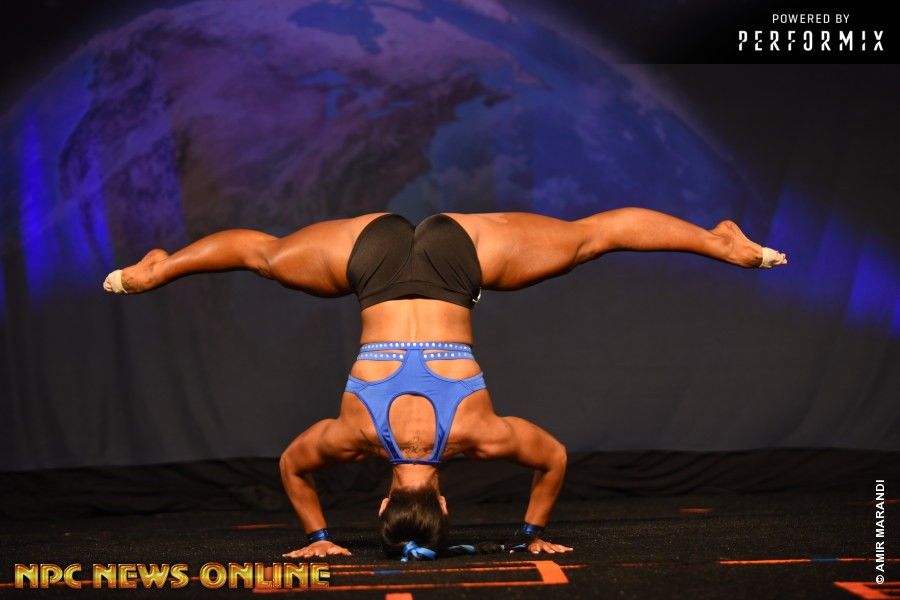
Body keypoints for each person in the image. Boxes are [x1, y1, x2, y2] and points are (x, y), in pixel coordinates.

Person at [102, 208, 787, 560]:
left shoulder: (477, 435)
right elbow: (292, 466)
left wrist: (533, 531)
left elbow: (553, 458)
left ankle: (717, 241)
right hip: (368, 258)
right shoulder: (354, 436)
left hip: (459, 259)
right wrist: (315, 535)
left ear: (446, 503)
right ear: (381, 503)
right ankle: (162, 267)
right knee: (263, 255)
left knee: (591, 238)